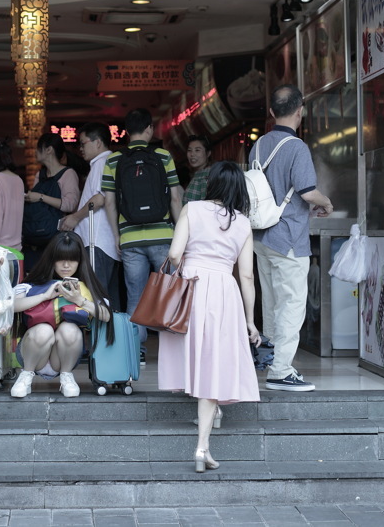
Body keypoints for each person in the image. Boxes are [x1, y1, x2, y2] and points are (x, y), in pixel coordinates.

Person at [158, 161, 262, 473]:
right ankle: (202, 446)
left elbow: (175, 254)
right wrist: (250, 320)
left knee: (194, 353)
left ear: (212, 184)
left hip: (190, 287)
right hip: (223, 292)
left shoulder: (192, 209)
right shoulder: (243, 223)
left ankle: (203, 436)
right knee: (214, 366)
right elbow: (246, 276)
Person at [250, 84, 333, 392]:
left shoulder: (257, 146)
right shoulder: (296, 147)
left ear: (272, 112)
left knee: (271, 303)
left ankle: (271, 359)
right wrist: (325, 202)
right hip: (288, 239)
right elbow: (307, 191)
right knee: (292, 304)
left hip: (261, 237)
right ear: (300, 111)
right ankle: (281, 370)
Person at [102, 108, 183, 364]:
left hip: (131, 239)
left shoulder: (114, 160)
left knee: (135, 295)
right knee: (169, 292)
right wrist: (181, 234)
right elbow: (176, 197)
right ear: (149, 129)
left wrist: (117, 234)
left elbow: (109, 202)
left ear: (126, 131)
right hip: (163, 237)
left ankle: (136, 351)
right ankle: (174, 352)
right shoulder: (163, 156)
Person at [9, 231, 113, 399]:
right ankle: (26, 376)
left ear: (80, 261)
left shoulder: (86, 287)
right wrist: (44, 296)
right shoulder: (34, 284)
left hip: (65, 357)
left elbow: (106, 315)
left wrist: (80, 300)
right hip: (33, 354)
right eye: (60, 259)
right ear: (51, 259)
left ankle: (67, 377)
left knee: (70, 329)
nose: (66, 265)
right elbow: (12, 306)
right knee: (43, 329)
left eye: (72, 259)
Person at [59, 122, 119, 303]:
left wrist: (74, 218)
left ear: (98, 143)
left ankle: (99, 332)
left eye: (83, 143)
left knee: (97, 297)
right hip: (103, 242)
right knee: (108, 296)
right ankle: (110, 331)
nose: (80, 148)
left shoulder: (102, 164)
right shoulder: (104, 163)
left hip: (97, 242)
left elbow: (100, 198)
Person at [23, 133, 81, 270]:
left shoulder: (68, 174)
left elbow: (70, 204)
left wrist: (41, 197)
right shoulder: (40, 174)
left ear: (48, 150)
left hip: (57, 237)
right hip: (35, 237)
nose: (35, 152)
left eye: (38, 149)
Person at [182, 134, 213, 205]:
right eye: (189, 150)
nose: (192, 154)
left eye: (197, 150)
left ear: (208, 153)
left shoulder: (207, 175)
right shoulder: (198, 174)